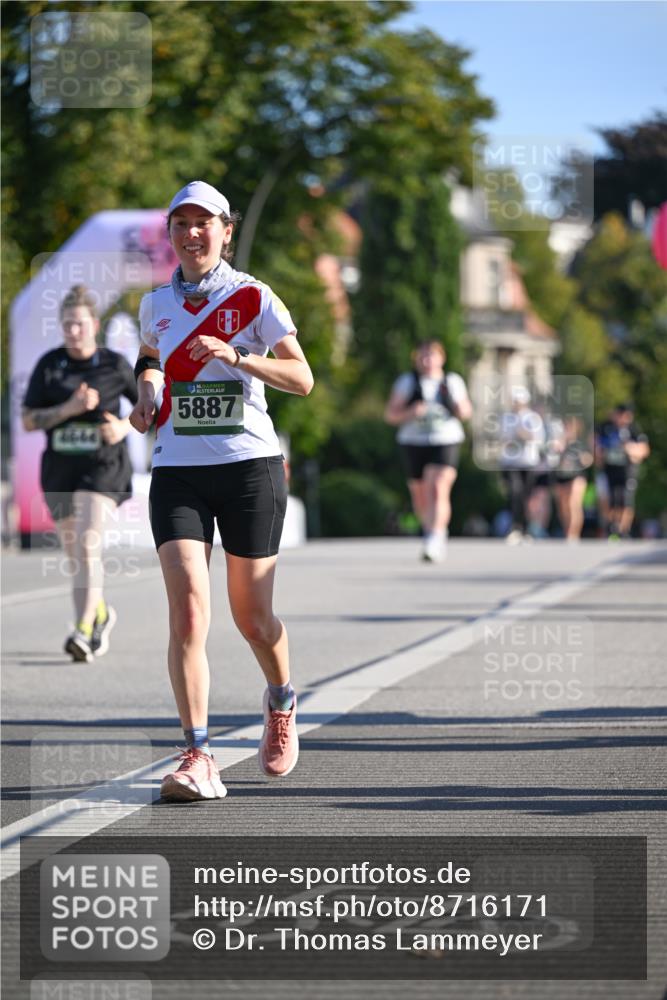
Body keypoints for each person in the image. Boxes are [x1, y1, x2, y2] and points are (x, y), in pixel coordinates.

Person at [130, 180, 313, 802]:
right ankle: (197, 755)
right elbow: (151, 357)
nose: (192, 233)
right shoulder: (154, 303)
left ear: (225, 230)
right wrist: (149, 391)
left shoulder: (253, 297)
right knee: (187, 614)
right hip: (177, 470)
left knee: (252, 618)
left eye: (203, 222)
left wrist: (237, 357)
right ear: (171, 233)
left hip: (247, 470)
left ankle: (282, 701)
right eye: (180, 223)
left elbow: (301, 377)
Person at [22, 285, 138, 661]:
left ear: (95, 324)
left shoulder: (114, 364)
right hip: (60, 470)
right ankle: (100, 613)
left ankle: (83, 631)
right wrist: (69, 408)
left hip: (103, 468)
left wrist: (121, 428)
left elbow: (151, 409)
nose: (73, 332)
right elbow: (28, 420)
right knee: (77, 556)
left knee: (88, 544)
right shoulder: (50, 365)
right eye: (67, 325)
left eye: (80, 324)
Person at [385, 340, 471, 563]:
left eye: (431, 355)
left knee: (438, 487)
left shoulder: (451, 381)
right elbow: (391, 415)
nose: (427, 361)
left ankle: (435, 536)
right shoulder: (407, 382)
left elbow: (466, 410)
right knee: (420, 495)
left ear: (441, 358)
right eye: (422, 356)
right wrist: (411, 412)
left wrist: (461, 409)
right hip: (413, 441)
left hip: (445, 439)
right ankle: (431, 529)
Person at [499, 386, 545, 544]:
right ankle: (514, 527)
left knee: (525, 496)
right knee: (514, 492)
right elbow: (503, 440)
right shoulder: (506, 417)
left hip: (527, 462)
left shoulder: (532, 418)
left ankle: (525, 528)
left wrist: (521, 433)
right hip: (510, 462)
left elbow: (536, 439)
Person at [596, 403, 650, 539]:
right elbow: (595, 446)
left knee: (626, 499)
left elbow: (644, 449)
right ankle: (611, 527)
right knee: (611, 498)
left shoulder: (633, 429)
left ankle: (623, 529)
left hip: (627, 470)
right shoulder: (605, 428)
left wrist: (630, 448)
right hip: (609, 469)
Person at [554, 415, 593, 540]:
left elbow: (589, 460)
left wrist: (582, 458)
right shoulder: (559, 442)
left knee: (573, 504)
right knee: (563, 506)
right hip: (562, 476)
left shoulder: (580, 443)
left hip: (576, 476)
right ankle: (567, 531)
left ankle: (573, 534)